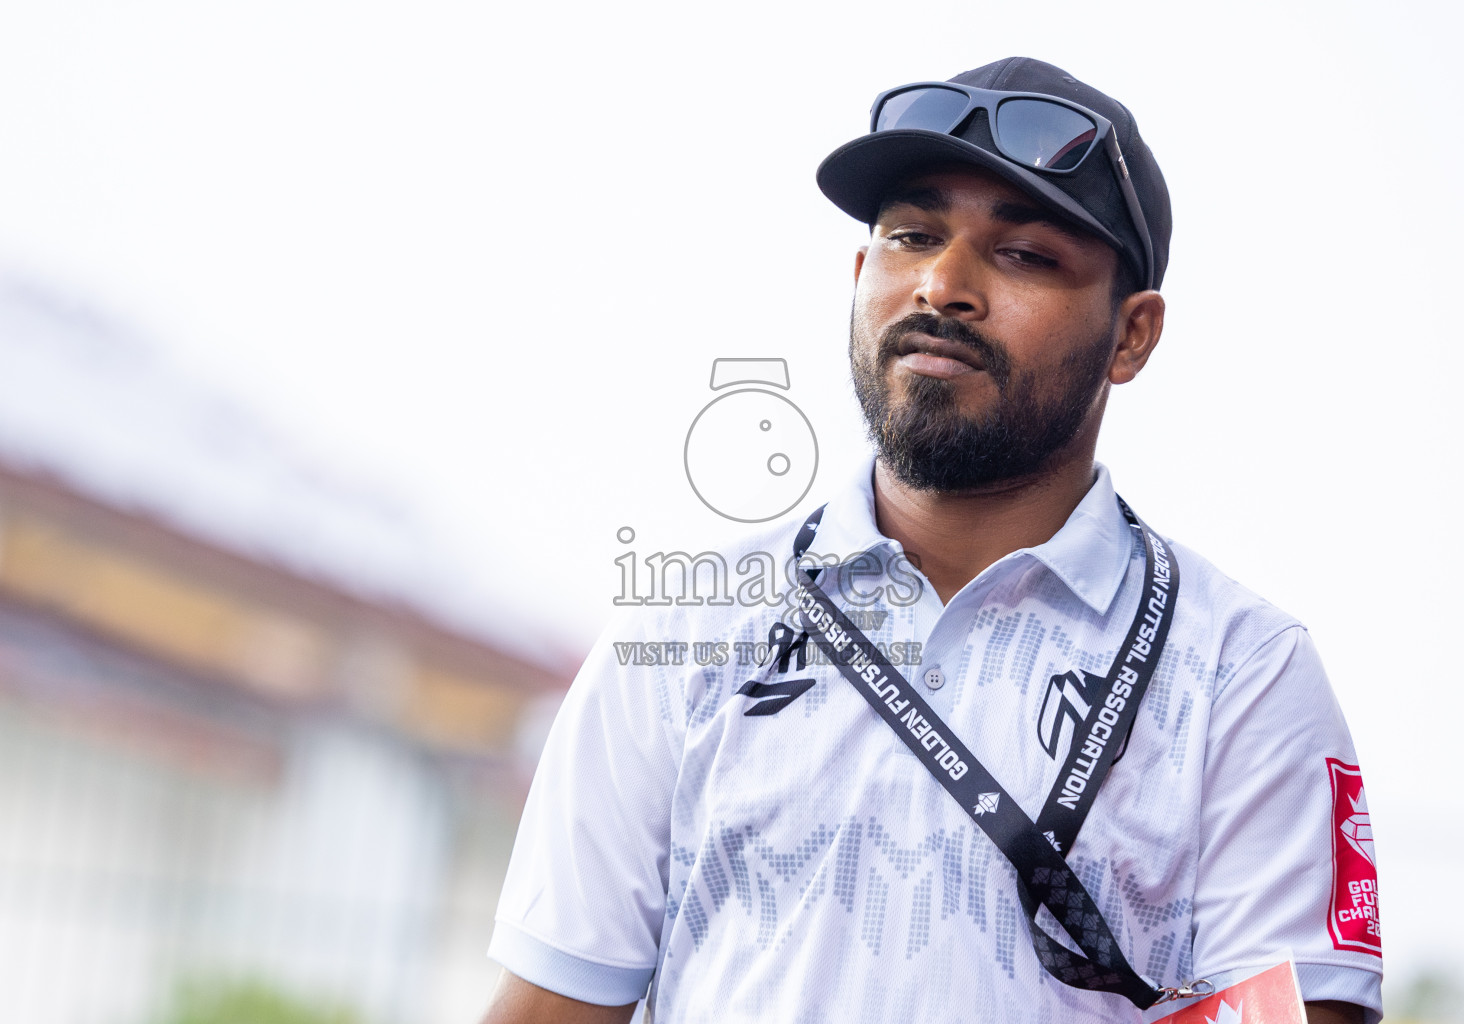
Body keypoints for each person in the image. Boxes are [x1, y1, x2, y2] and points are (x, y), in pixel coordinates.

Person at [478, 57, 1383, 1024]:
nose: (943, 285)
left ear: (1133, 337)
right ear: (862, 275)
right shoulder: (684, 633)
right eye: (912, 237)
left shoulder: (1245, 675)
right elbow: (552, 1006)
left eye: (1025, 255)